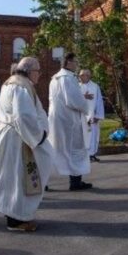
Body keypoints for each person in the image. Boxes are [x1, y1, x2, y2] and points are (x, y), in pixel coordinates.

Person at [0, 57, 53, 232]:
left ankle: (16, 216)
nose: (39, 74)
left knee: (11, 178)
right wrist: (38, 136)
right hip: (19, 139)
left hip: (13, 136)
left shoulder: (12, 83)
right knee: (17, 179)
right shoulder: (20, 86)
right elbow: (22, 116)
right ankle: (16, 220)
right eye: (38, 70)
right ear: (29, 70)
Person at [48, 52, 93, 191]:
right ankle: (75, 181)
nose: (76, 64)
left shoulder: (55, 78)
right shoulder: (68, 78)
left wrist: (80, 96)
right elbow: (73, 100)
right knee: (74, 148)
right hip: (69, 119)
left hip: (57, 118)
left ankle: (43, 181)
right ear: (68, 63)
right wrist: (86, 108)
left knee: (57, 149)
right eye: (75, 62)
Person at [79, 69, 104, 163]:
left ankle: (92, 154)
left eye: (82, 75)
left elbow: (99, 101)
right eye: (80, 75)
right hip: (80, 116)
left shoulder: (95, 86)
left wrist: (98, 115)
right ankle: (84, 155)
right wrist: (83, 97)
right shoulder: (77, 86)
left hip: (92, 116)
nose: (80, 77)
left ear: (88, 76)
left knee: (93, 135)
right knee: (83, 136)